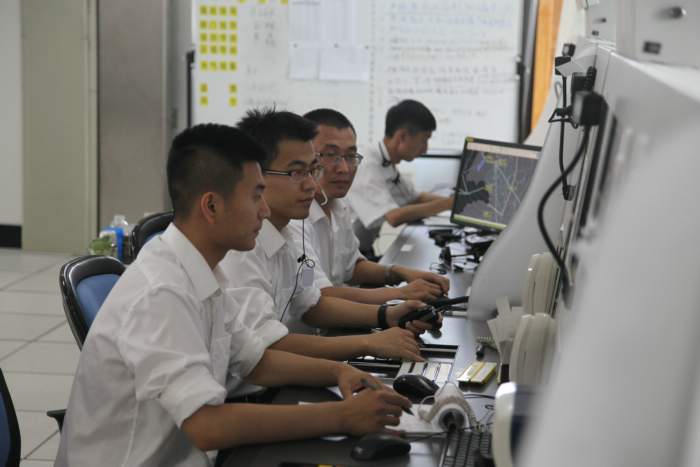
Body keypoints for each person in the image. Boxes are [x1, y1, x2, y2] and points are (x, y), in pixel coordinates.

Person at [56, 124, 411, 466]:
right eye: (256, 196)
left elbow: (255, 360)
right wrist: (342, 416)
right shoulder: (161, 292)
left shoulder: (204, 270)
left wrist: (339, 372)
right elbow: (207, 426)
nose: (264, 210)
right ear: (211, 206)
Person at [220, 109, 436, 363]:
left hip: (305, 354)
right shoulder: (243, 249)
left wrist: (388, 315)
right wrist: (368, 342)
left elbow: (312, 304)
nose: (312, 185)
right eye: (297, 173)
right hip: (279, 370)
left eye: (313, 170)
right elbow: (266, 350)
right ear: (256, 176)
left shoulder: (286, 235)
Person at [290, 108, 450, 305]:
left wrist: (400, 272)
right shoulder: (295, 221)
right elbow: (317, 297)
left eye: (351, 156)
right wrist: (400, 294)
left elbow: (352, 267)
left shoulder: (338, 206)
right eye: (330, 155)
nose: (344, 169)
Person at [347, 99, 453, 258]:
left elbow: (416, 197)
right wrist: (448, 204)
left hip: (364, 253)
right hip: (349, 258)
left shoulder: (386, 162)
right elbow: (394, 217)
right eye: (424, 140)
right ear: (402, 136)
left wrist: (458, 204)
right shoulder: (367, 164)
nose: (425, 149)